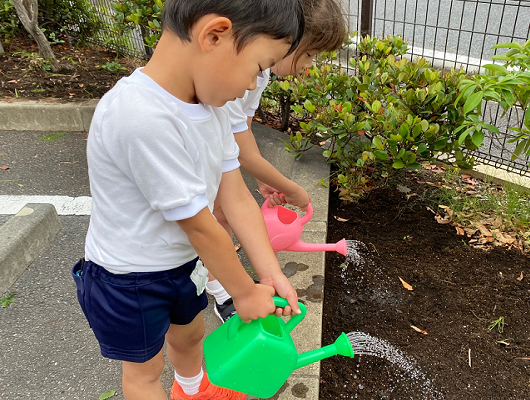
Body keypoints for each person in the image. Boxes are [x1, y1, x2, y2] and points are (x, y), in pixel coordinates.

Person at [71, 1, 304, 399]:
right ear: (214, 35)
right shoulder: (141, 116)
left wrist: (268, 273)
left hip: (182, 264)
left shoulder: (209, 106)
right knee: (145, 371)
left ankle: (193, 390)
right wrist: (244, 294)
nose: (253, 85)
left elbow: (236, 197)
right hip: (128, 279)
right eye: (258, 66)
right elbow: (200, 225)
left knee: (191, 335)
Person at [205, 0, 348, 323]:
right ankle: (221, 290)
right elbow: (242, 151)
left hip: (217, 158)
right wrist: (291, 188)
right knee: (214, 222)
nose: (310, 64)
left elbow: (241, 131)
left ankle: (220, 283)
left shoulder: (259, 76)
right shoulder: (230, 76)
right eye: (310, 54)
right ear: (289, 39)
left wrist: (261, 178)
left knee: (222, 216)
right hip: (204, 159)